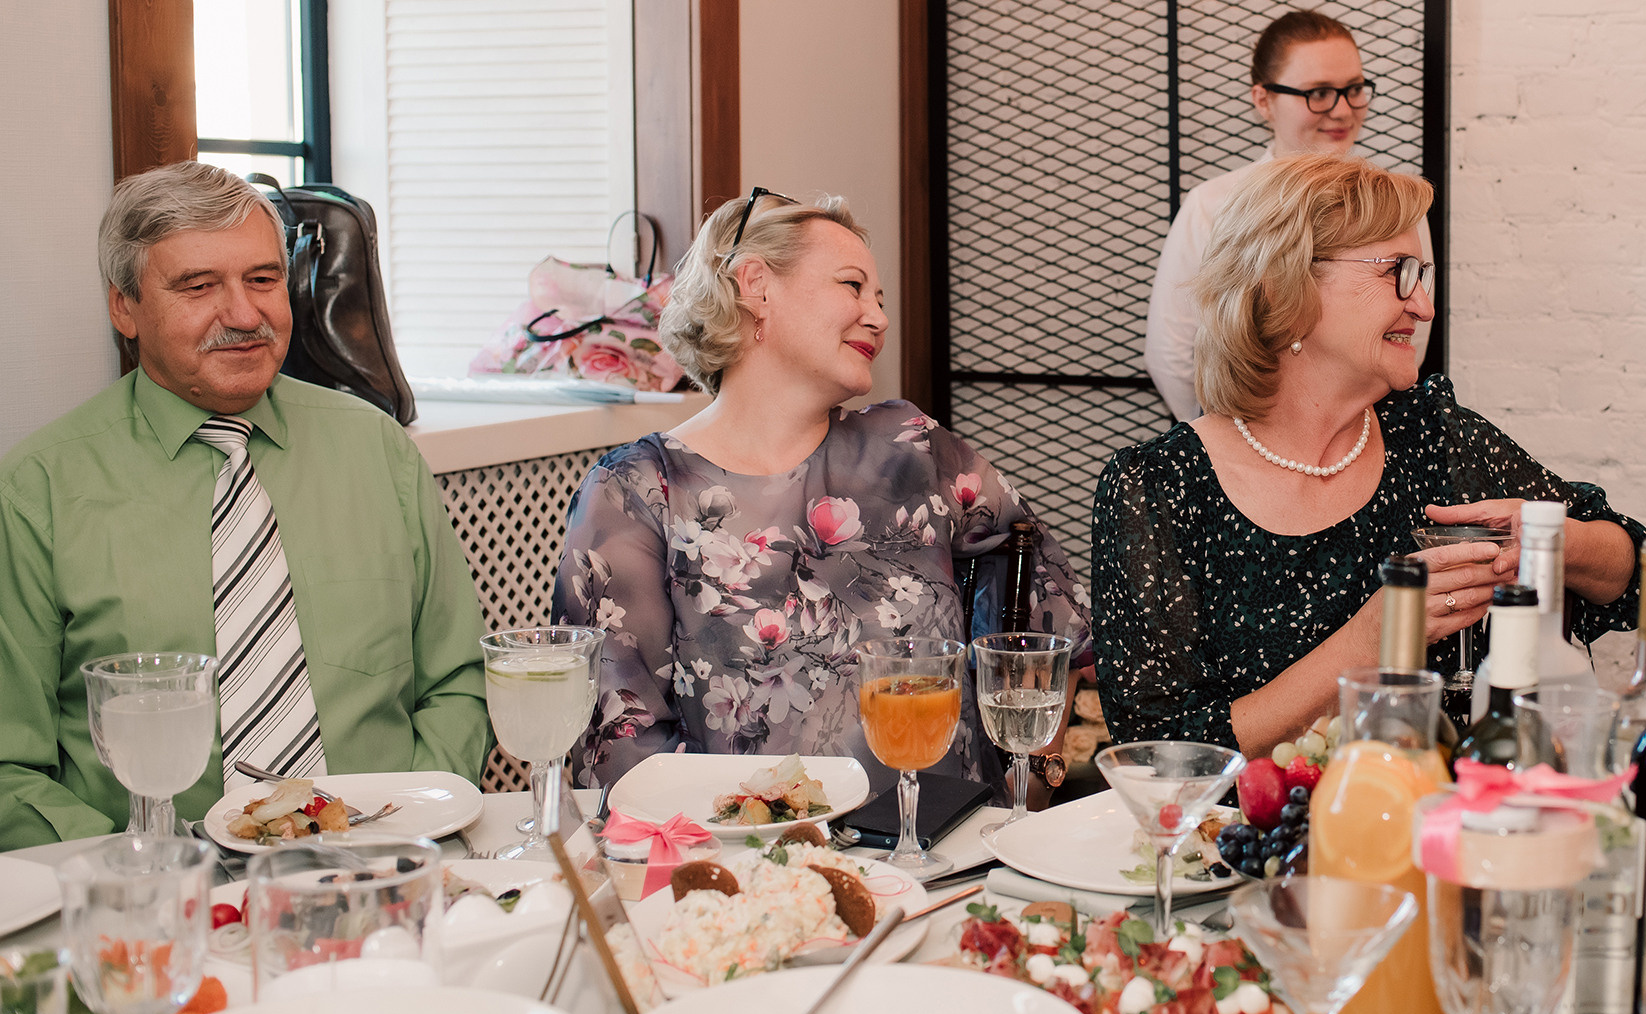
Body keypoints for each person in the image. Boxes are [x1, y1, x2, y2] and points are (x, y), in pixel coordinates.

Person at [0, 162, 490, 850]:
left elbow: (459, 682)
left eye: (262, 279)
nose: (243, 314)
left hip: (387, 860)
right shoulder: (39, 489)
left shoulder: (377, 449)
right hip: (156, 885)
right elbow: (11, 766)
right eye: (198, 286)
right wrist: (147, 871)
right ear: (124, 308)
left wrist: (406, 823)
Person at [1094, 155, 1646, 756]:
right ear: (1284, 286)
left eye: (1422, 275)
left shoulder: (1433, 437)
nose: (1424, 306)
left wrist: (1553, 542)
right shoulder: (1159, 487)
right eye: (1398, 273)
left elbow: (1638, 574)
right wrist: (1371, 641)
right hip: (1250, 821)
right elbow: (1159, 754)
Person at [554, 188, 1092, 792]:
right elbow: (617, 740)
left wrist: (1032, 780)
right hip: (743, 842)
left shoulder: (911, 449)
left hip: (946, 836)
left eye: (879, 299)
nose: (879, 318)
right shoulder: (634, 491)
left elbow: (1051, 604)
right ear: (756, 285)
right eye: (852, 286)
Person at [1145, 8, 1433, 420]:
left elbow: (1409, 336)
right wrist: (1228, 441)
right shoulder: (1212, 208)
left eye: (1354, 88)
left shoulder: (1399, 209)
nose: (1342, 110)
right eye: (1318, 93)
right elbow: (1170, 353)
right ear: (1263, 100)